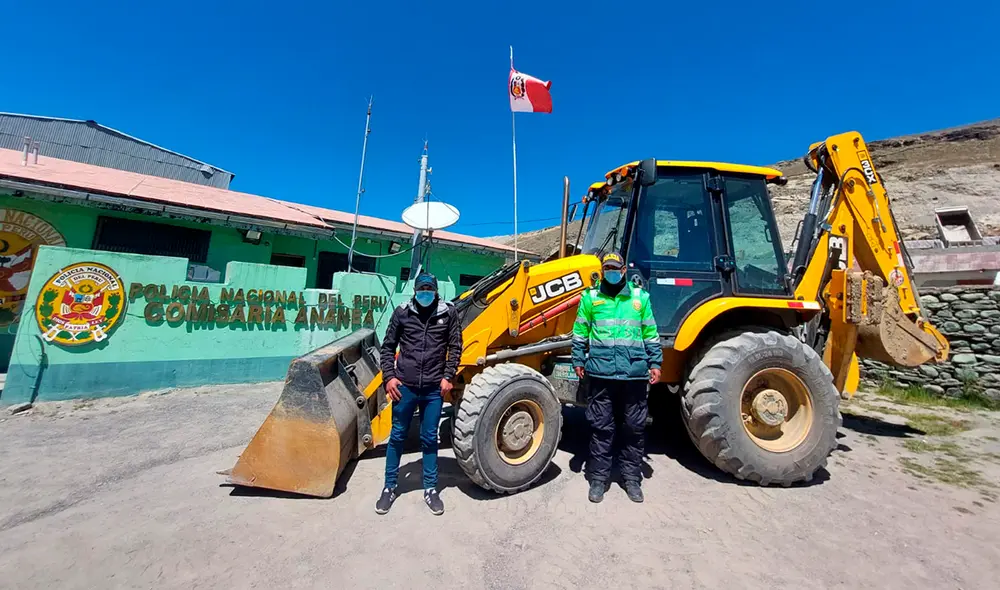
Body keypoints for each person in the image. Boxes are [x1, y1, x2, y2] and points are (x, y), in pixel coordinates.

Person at [572, 252, 662, 503]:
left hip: (633, 375)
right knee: (601, 429)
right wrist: (578, 359)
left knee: (634, 429)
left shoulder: (639, 298)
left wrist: (655, 362)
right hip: (601, 374)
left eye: (615, 268)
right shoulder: (590, 298)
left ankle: (631, 479)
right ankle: (598, 480)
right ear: (602, 272)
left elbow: (650, 333)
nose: (611, 272)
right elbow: (580, 332)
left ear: (623, 270)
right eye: (607, 268)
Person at [376, 271, 462, 516]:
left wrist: (448, 376)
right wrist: (389, 377)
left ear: (436, 291)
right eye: (421, 289)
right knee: (398, 436)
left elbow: (455, 346)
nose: (426, 293)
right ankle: (389, 486)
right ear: (415, 291)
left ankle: (431, 489)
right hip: (405, 388)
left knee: (428, 438)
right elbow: (388, 346)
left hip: (434, 390)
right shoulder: (402, 312)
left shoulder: (448, 313)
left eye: (430, 290)